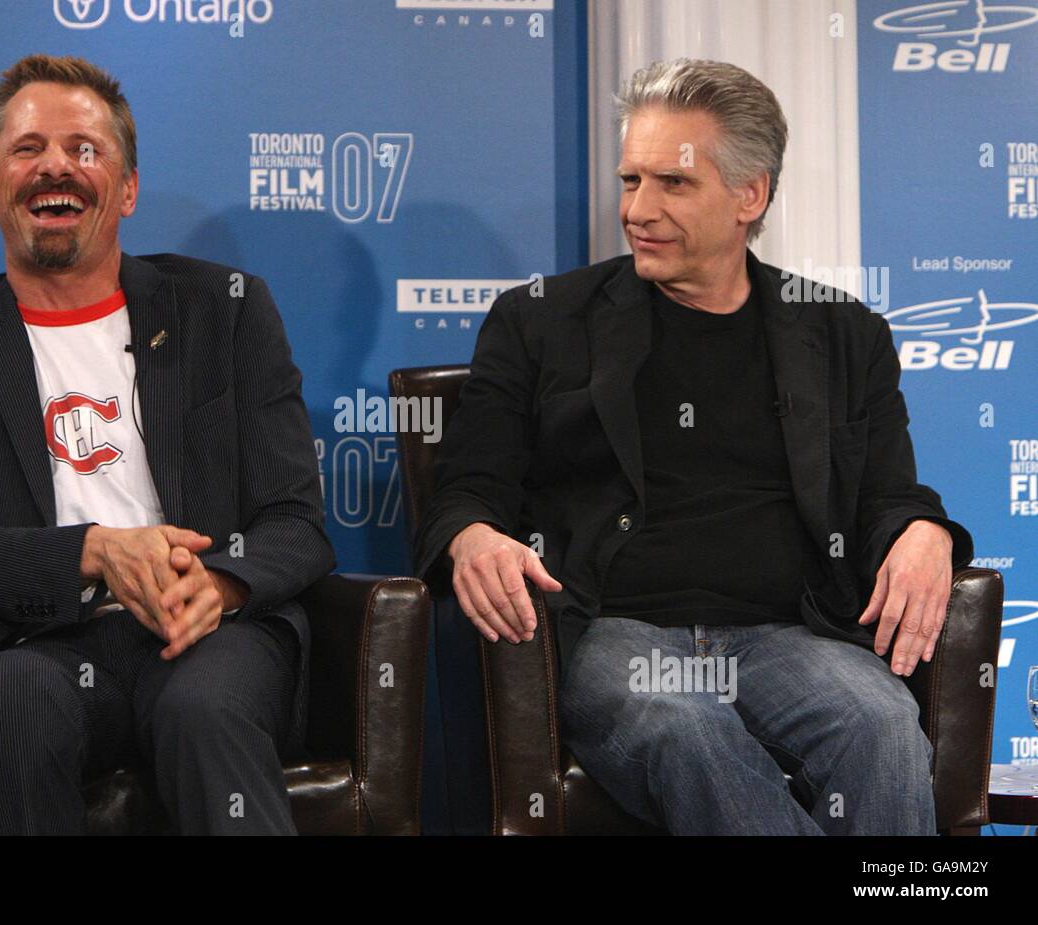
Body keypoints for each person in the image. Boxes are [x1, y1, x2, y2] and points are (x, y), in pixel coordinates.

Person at [414, 58, 972, 835]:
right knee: (689, 732)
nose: (638, 209)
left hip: (789, 632)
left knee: (879, 725)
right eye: (630, 180)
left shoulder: (844, 335)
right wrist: (473, 537)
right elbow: (467, 490)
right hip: (618, 630)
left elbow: (888, 496)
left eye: (672, 184)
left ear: (751, 194)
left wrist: (925, 532)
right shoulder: (541, 322)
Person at [0, 54, 333, 835]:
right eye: (27, 149)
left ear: (125, 188)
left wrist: (222, 587)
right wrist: (91, 551)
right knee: (14, 708)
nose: (56, 164)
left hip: (209, 633)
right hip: (41, 642)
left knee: (205, 707)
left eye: (85, 149)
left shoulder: (225, 311)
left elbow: (294, 519)